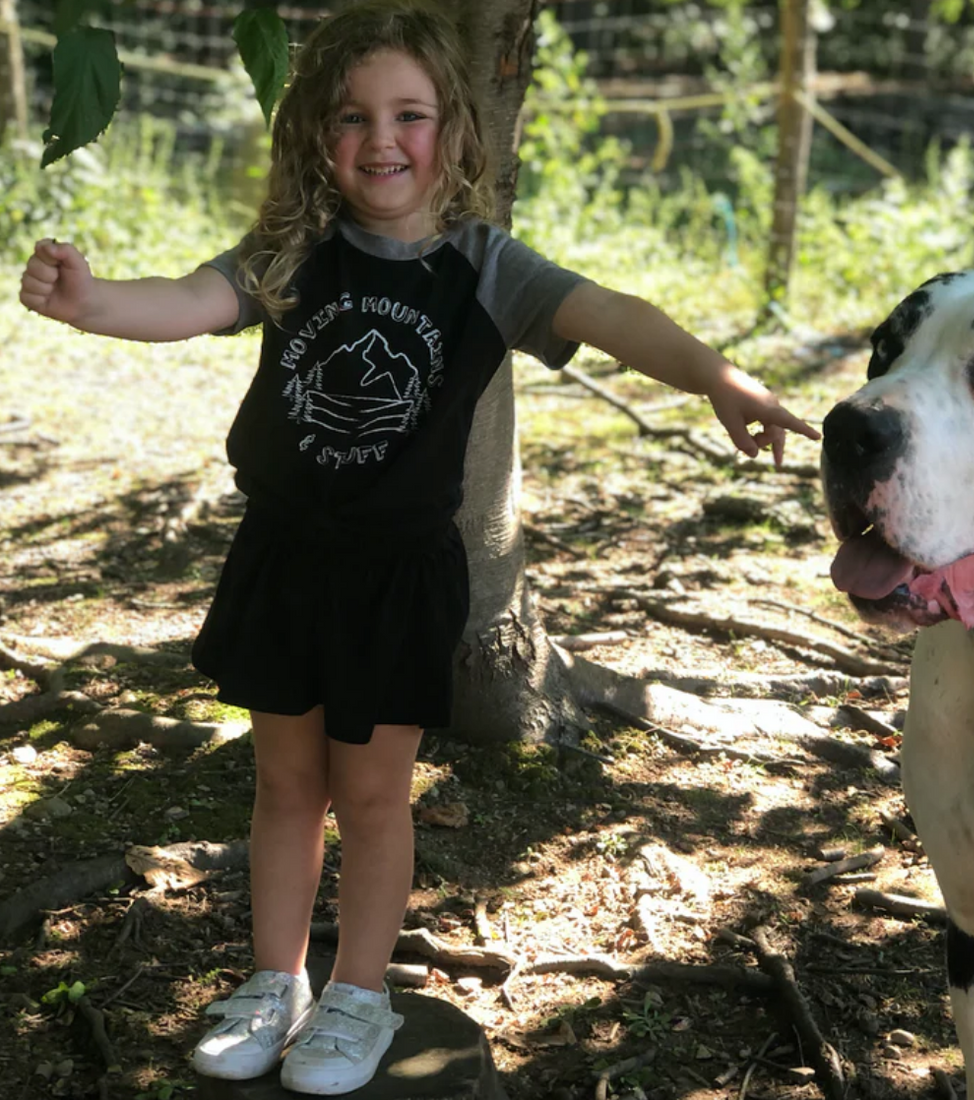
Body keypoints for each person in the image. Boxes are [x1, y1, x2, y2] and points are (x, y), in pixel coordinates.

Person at [17, 1, 819, 1092]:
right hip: (283, 557)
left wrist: (719, 378)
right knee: (284, 782)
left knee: (376, 792)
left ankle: (358, 992)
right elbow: (187, 301)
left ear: (455, 131)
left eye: (409, 114)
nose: (380, 139)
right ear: (316, 134)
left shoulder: (488, 268)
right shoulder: (291, 249)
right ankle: (274, 978)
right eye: (351, 116)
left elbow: (614, 314)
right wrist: (90, 301)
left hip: (399, 576)